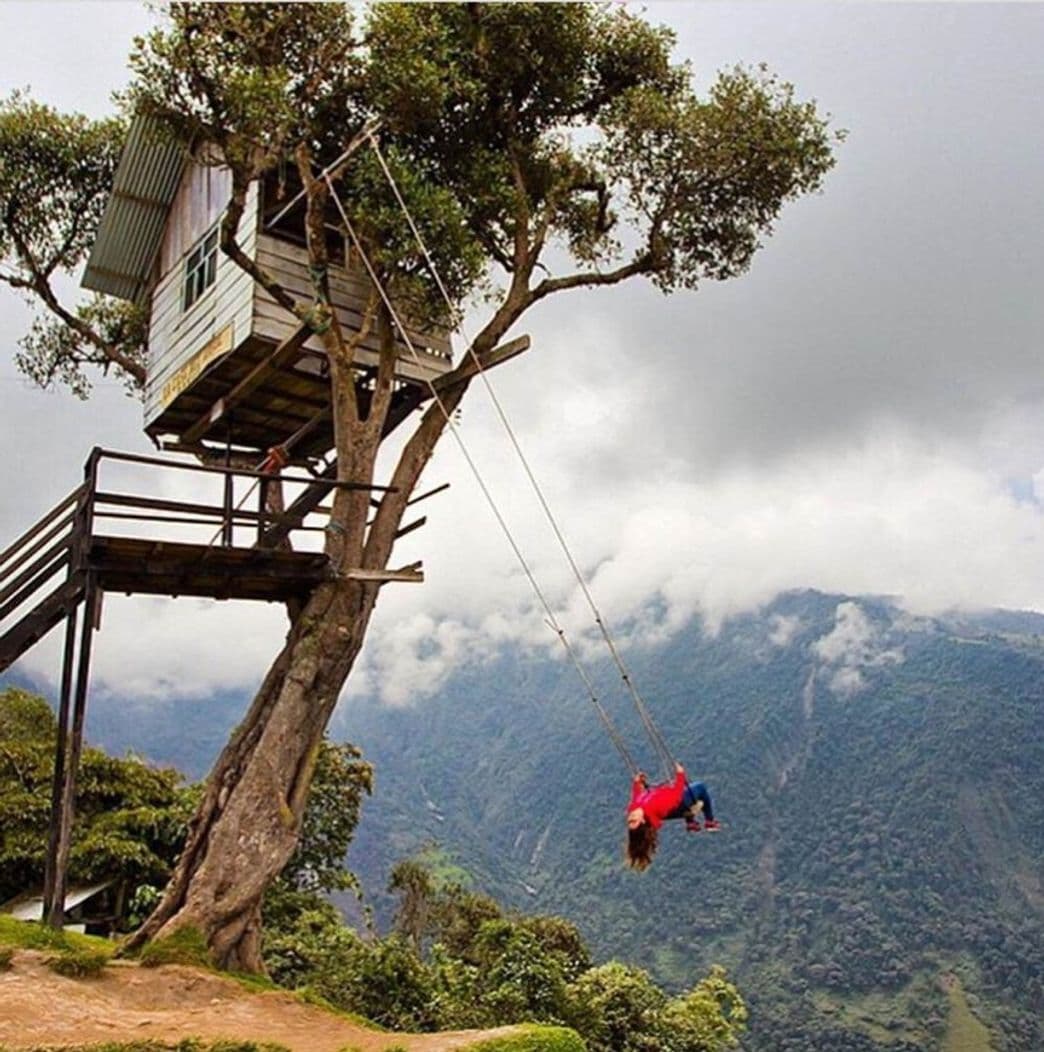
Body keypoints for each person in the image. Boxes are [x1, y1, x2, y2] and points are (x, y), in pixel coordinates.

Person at [625, 761, 720, 871]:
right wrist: (680, 775)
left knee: (685, 805)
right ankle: (709, 821)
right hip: (680, 801)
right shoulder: (655, 807)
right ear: (642, 821)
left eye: (629, 822)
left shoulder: (634, 809)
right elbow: (676, 797)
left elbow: (636, 796)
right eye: (634, 822)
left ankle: (690, 820)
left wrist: (637, 783)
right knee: (701, 788)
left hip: (671, 807)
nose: (630, 818)